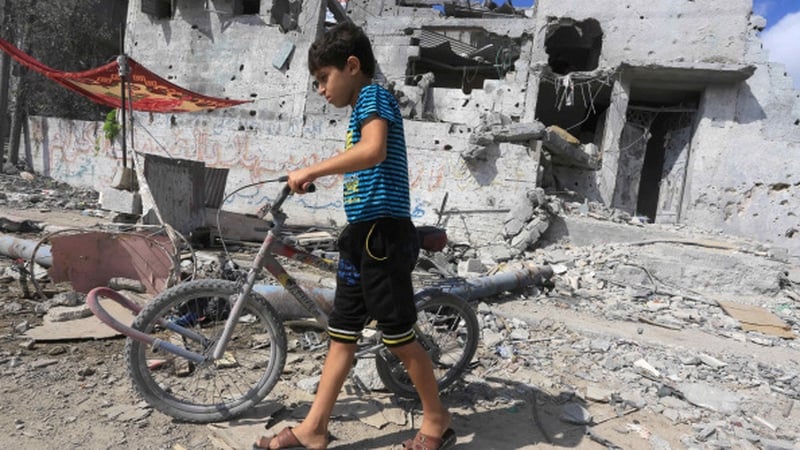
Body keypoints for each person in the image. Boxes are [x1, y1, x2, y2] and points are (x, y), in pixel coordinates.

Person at [253, 21, 455, 450]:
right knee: (342, 334)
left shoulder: (372, 96)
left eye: (323, 79)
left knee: (398, 336)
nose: (321, 91)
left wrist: (313, 169)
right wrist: (318, 179)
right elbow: (365, 161)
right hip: (361, 236)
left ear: (351, 65)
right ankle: (313, 429)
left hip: (383, 235)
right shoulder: (360, 108)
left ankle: (437, 421)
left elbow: (373, 150)